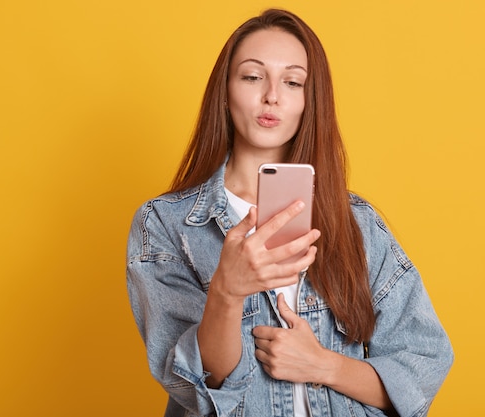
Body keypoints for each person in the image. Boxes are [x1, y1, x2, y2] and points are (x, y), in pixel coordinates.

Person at [126, 8, 453, 417]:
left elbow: (424, 362)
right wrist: (226, 293)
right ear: (225, 92)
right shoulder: (165, 225)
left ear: (308, 101)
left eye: (293, 81)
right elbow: (196, 388)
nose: (272, 96)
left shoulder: (356, 222)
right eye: (252, 76)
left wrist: (324, 365)